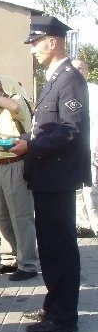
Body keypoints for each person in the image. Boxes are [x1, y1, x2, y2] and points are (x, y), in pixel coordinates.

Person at [11, 15, 91, 332]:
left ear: (52, 41)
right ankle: (54, 304)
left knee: (59, 246)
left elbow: (70, 131)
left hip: (57, 175)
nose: (33, 50)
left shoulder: (69, 78)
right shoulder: (55, 77)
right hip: (48, 175)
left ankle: (64, 316)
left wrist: (29, 147)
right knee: (50, 244)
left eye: (35, 43)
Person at [0, 73, 39, 281]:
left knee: (20, 217)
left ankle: (28, 264)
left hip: (17, 163)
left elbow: (15, 108)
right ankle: (9, 259)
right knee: (1, 216)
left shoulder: (15, 99)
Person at [71, 59, 98, 235]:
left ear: (86, 71)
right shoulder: (68, 91)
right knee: (76, 189)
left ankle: (96, 225)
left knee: (91, 188)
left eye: (80, 68)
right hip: (72, 149)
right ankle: (83, 224)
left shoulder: (94, 91)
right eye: (73, 69)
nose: (77, 72)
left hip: (91, 146)